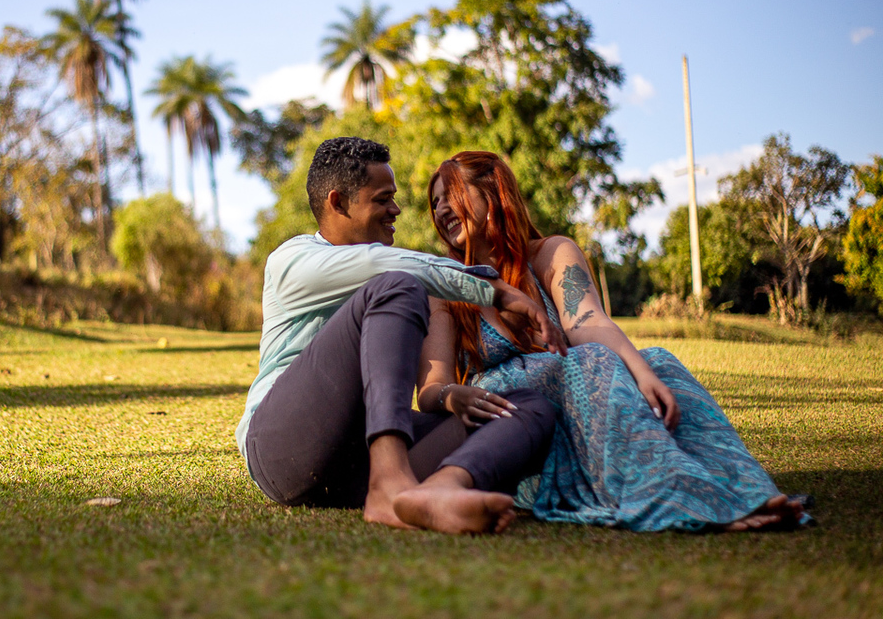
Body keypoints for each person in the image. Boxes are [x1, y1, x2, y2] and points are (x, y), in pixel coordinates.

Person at [418, 151, 808, 532]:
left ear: (493, 194)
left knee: (658, 361)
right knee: (587, 361)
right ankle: (674, 494)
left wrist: (642, 372)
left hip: (573, 384)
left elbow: (587, 322)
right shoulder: (441, 282)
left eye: (450, 195)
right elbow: (431, 389)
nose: (440, 210)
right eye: (435, 203)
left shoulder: (551, 254)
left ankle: (741, 488)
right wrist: (454, 395)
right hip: (506, 407)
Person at [236, 137, 569, 534]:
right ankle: (390, 484)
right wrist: (493, 289)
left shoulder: (390, 268)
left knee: (529, 408)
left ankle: (441, 489)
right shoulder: (292, 261)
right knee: (399, 284)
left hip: (354, 465)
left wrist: (450, 396)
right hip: (282, 450)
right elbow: (383, 266)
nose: (396, 209)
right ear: (338, 202)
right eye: (383, 199)